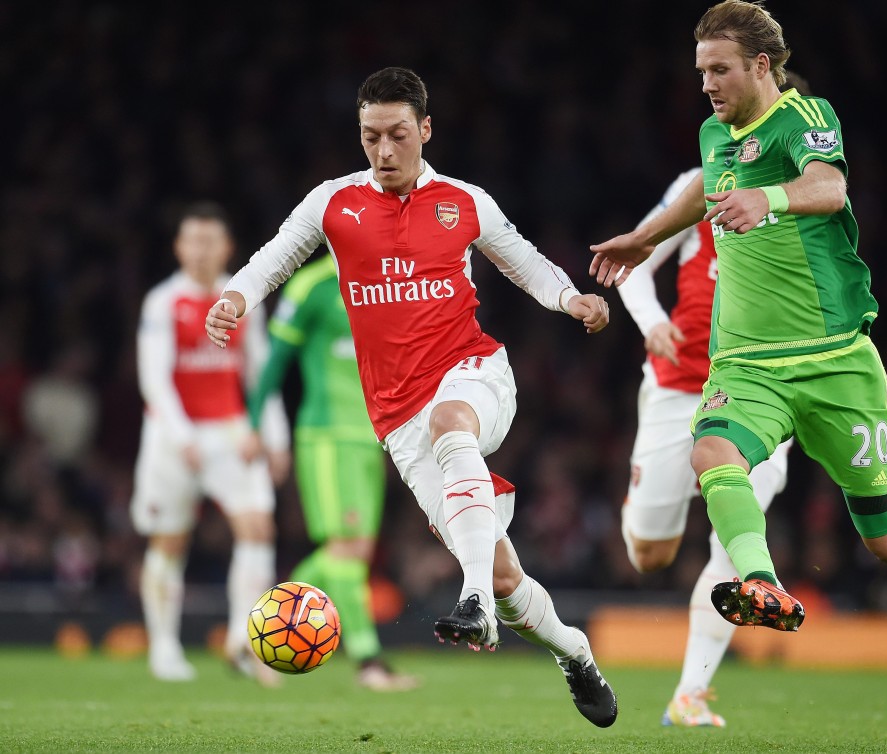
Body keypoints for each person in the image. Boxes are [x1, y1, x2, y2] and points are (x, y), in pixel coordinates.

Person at [205, 67, 618, 726]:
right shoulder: (334, 203)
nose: (384, 150)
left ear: (425, 129)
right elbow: (274, 257)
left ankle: (471, 600)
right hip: (397, 418)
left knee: (453, 424)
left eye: (397, 134)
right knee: (509, 581)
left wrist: (571, 298)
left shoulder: (465, 201)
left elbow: (523, 261)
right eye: (371, 136)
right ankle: (573, 650)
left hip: (473, 373)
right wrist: (234, 297)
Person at [591, 0, 887, 692]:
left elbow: (829, 186)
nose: (706, 84)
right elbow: (706, 188)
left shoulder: (805, 116)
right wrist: (646, 238)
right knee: (712, 451)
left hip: (834, 362)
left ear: (761, 65)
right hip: (748, 364)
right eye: (701, 71)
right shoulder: (715, 133)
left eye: (720, 69)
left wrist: (768, 199)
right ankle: (761, 581)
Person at [617, 167, 793, 727]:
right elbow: (633, 261)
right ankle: (642, 501)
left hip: (761, 398)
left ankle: (689, 695)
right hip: (679, 385)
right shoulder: (705, 180)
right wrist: (652, 322)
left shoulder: (809, 198)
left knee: (734, 549)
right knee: (650, 555)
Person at [130, 201, 291, 685]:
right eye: (192, 241)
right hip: (171, 437)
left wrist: (273, 435)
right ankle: (164, 647)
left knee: (258, 527)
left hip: (229, 431)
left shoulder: (239, 301)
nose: (199, 250)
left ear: (227, 248)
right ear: (178, 247)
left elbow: (260, 373)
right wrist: (182, 437)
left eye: (209, 241)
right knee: (171, 539)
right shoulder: (163, 302)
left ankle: (243, 641)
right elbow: (155, 380)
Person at [246, 251, 418, 692]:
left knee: (354, 551)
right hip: (327, 435)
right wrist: (255, 425)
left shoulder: (388, 281)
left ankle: (261, 631)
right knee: (346, 548)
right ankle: (368, 660)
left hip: (372, 435)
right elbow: (275, 359)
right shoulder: (312, 286)